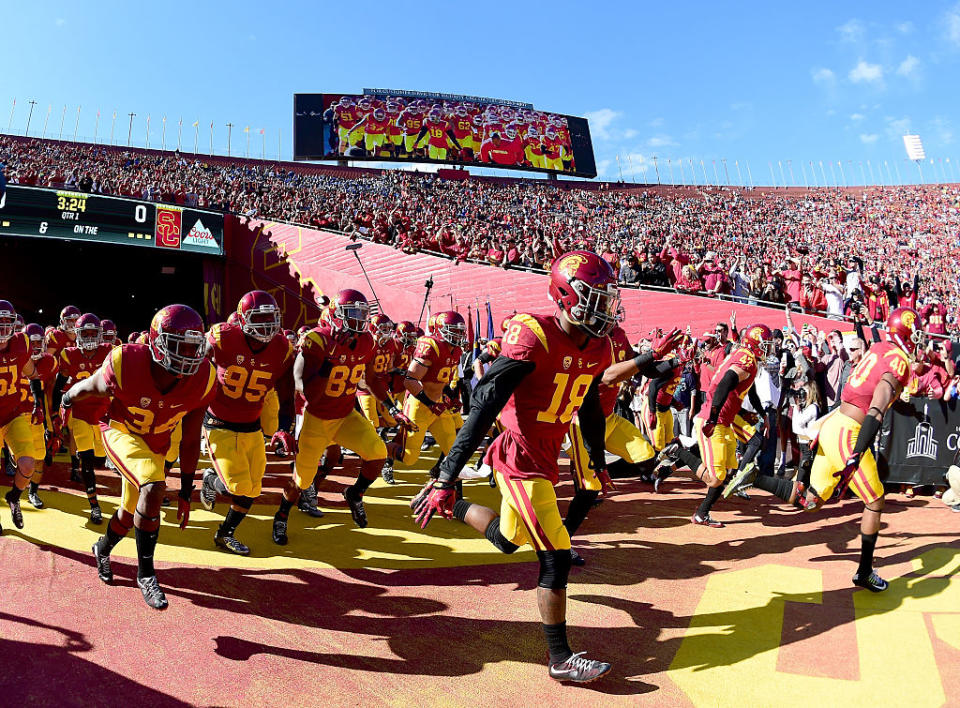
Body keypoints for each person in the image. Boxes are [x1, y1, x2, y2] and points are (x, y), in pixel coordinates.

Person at [412, 251, 620, 683]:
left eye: (607, 299)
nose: (604, 309)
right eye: (594, 299)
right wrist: (446, 474)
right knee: (557, 556)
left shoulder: (600, 345)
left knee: (509, 541)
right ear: (565, 296)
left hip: (547, 456)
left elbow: (590, 407)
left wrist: (597, 462)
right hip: (519, 455)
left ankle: (457, 509)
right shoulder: (535, 335)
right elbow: (485, 405)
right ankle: (560, 657)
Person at [744, 308, 921, 592]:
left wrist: (904, 408)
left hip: (834, 424)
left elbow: (875, 391)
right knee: (875, 499)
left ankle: (756, 478)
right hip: (849, 431)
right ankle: (864, 571)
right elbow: (876, 406)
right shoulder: (899, 360)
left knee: (812, 501)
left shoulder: (879, 347)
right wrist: (858, 451)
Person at [63, 305, 217, 609]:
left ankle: (102, 548)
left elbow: (189, 440)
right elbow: (91, 385)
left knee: (130, 511)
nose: (187, 355)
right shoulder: (126, 361)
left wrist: (186, 492)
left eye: (193, 347)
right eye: (179, 346)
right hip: (121, 431)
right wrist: (67, 398)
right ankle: (146, 574)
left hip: (155, 445)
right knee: (153, 486)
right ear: (158, 343)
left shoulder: (204, 378)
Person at [272, 289, 412, 543]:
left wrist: (393, 409)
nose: (359, 320)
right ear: (336, 315)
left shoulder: (368, 341)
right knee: (302, 480)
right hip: (315, 416)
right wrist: (331, 359)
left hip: (346, 414)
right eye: (352, 314)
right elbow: (307, 391)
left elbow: (370, 379)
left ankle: (355, 494)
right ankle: (281, 516)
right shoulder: (317, 340)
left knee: (378, 453)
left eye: (362, 314)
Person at [199, 291, 295, 555]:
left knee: (252, 491)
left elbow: (287, 395)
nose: (265, 324)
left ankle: (224, 534)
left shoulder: (283, 348)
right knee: (237, 487)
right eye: (258, 317)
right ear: (242, 319)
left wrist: (284, 427)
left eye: (270, 317)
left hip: (252, 425)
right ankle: (211, 480)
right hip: (219, 422)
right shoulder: (222, 337)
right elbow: (196, 368)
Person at [54, 313, 113, 524]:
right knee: (86, 463)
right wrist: (55, 413)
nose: (89, 338)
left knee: (99, 461)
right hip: (80, 415)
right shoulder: (69, 355)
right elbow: (58, 387)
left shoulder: (109, 352)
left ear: (100, 335)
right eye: (84, 334)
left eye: (92, 333)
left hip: (104, 416)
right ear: (77, 335)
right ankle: (94, 506)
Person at [0, 301, 42, 531]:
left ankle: (14, 497)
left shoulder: (20, 343)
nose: (4, 328)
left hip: (12, 415)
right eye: (0, 323)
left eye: (7, 322)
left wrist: (38, 402)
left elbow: (32, 374)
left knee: (27, 464)